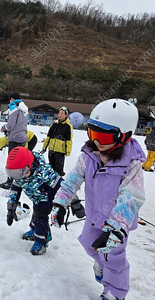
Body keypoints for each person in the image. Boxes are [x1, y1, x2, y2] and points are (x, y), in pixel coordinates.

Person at [50, 99, 146, 300]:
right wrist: (60, 203)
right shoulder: (89, 156)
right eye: (93, 134)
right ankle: (101, 264)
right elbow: (72, 180)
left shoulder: (131, 164)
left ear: (124, 137)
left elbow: (131, 196)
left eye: (104, 136)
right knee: (88, 243)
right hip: (94, 215)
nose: (97, 142)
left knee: (114, 258)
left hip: (116, 222)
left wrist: (117, 227)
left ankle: (114, 293)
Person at [5, 146, 64, 255]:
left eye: (19, 173)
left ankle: (41, 241)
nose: (18, 178)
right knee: (36, 213)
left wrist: (72, 202)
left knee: (40, 217)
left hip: (47, 198)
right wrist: (11, 206)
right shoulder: (20, 174)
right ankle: (35, 231)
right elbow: (15, 189)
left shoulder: (45, 172)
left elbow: (62, 186)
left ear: (30, 166)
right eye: (13, 174)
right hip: (36, 198)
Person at [0, 92, 28, 189]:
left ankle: (10, 182)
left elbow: (11, 124)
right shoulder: (24, 108)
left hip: (14, 137)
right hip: (23, 137)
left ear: (11, 98)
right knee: (19, 160)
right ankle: (18, 181)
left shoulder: (13, 107)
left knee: (12, 160)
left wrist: (4, 127)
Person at [41, 106, 73, 176]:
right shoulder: (54, 124)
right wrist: (44, 147)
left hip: (60, 151)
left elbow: (69, 140)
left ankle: (58, 184)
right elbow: (48, 137)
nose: (60, 115)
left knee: (59, 169)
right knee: (51, 167)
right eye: (59, 113)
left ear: (66, 115)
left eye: (62, 113)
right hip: (51, 150)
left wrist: (68, 151)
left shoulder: (68, 127)